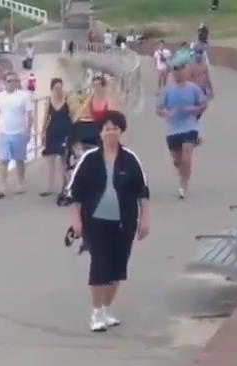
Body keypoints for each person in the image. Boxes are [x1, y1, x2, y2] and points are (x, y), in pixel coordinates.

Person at [66, 110, 151, 333]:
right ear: (100, 132)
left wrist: (145, 220)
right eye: (107, 128)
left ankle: (105, 309)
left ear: (120, 131)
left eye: (115, 128)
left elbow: (142, 192)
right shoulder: (89, 159)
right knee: (99, 264)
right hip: (95, 221)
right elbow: (74, 193)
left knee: (118, 267)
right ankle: (95, 312)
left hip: (125, 221)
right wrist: (76, 220)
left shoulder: (131, 159)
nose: (111, 132)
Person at [157, 50, 208, 199]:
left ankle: (183, 185)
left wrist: (194, 109)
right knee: (177, 161)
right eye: (175, 70)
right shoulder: (167, 91)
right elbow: (158, 109)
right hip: (172, 130)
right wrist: (165, 113)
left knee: (186, 158)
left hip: (189, 127)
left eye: (181, 69)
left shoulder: (193, 88)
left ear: (186, 71)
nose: (179, 73)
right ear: (172, 73)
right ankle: (182, 174)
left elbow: (204, 104)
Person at [0, 71, 34, 198]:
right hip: (4, 132)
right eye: (9, 81)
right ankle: (1, 187)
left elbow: (29, 115)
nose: (12, 83)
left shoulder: (23, 96)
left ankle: (21, 183)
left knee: (19, 160)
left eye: (15, 81)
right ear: (5, 82)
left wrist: (28, 130)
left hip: (19, 132)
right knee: (3, 160)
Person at [40, 77, 74, 197]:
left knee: (64, 160)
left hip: (65, 132)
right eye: (56, 88)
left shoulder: (68, 99)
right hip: (52, 131)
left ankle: (65, 186)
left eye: (60, 88)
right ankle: (49, 187)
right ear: (51, 89)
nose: (58, 90)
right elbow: (45, 117)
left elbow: (73, 115)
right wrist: (42, 132)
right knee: (50, 159)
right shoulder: (49, 100)